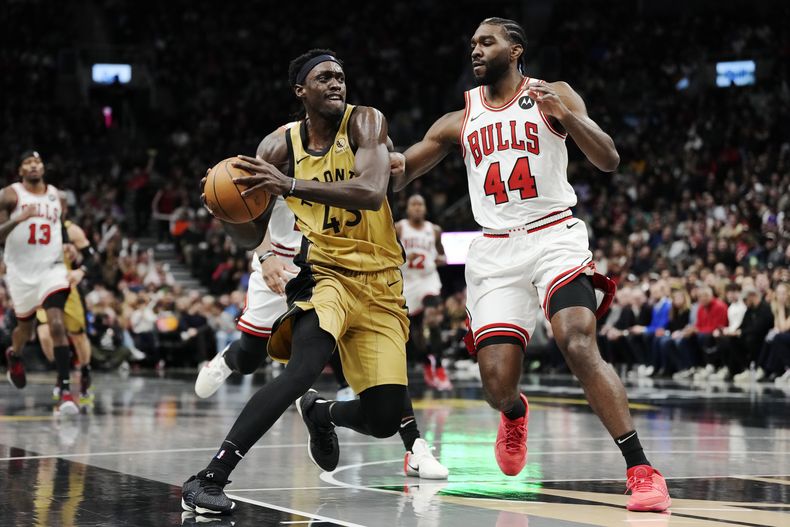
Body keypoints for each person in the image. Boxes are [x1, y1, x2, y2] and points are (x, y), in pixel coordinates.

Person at [390, 18, 670, 512]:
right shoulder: (460, 118)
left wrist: (569, 117)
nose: (475, 49)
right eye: (472, 43)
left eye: (486, 41)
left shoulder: (552, 93)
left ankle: (641, 470)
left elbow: (609, 158)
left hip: (554, 237)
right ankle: (514, 412)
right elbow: (400, 172)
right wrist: (365, 161)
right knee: (497, 385)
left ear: (515, 49)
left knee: (577, 340)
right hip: (495, 251)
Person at [182, 50, 442, 515]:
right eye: (323, 77)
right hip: (324, 273)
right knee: (302, 370)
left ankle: (322, 414)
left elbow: (371, 191)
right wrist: (222, 208)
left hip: (381, 282)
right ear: (300, 90)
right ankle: (208, 478)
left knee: (384, 418)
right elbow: (250, 228)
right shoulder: (277, 148)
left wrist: (291, 186)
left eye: (341, 76)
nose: (336, 83)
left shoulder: (366, 122)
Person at [195, 187, 447, 479]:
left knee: (382, 358)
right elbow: (250, 212)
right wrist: (264, 255)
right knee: (251, 357)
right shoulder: (279, 150)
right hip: (280, 264)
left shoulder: (354, 152)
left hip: (332, 266)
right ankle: (229, 359)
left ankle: (413, 444)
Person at [0, 151, 80, 415]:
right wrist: (18, 219)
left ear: (43, 167)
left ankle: (65, 390)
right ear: (20, 170)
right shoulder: (10, 195)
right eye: (27, 163)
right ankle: (14, 354)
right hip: (21, 272)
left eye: (37, 162)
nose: (34, 166)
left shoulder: (58, 196)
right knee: (26, 329)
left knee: (57, 323)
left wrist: (69, 245)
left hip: (51, 268)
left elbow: (62, 227)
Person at [36, 193, 97, 407]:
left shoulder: (72, 230)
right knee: (44, 334)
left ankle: (85, 373)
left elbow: (92, 257)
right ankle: (62, 373)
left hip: (69, 289)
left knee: (78, 337)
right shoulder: (39, 229)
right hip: (46, 288)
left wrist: (81, 270)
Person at [395, 194, 450, 389]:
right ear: (408, 208)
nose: (417, 208)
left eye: (420, 204)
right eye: (413, 204)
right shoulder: (399, 227)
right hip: (408, 282)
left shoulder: (434, 230)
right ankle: (426, 363)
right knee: (412, 333)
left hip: (428, 279)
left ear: (425, 208)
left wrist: (441, 258)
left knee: (433, 317)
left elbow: (441, 254)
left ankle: (441, 368)